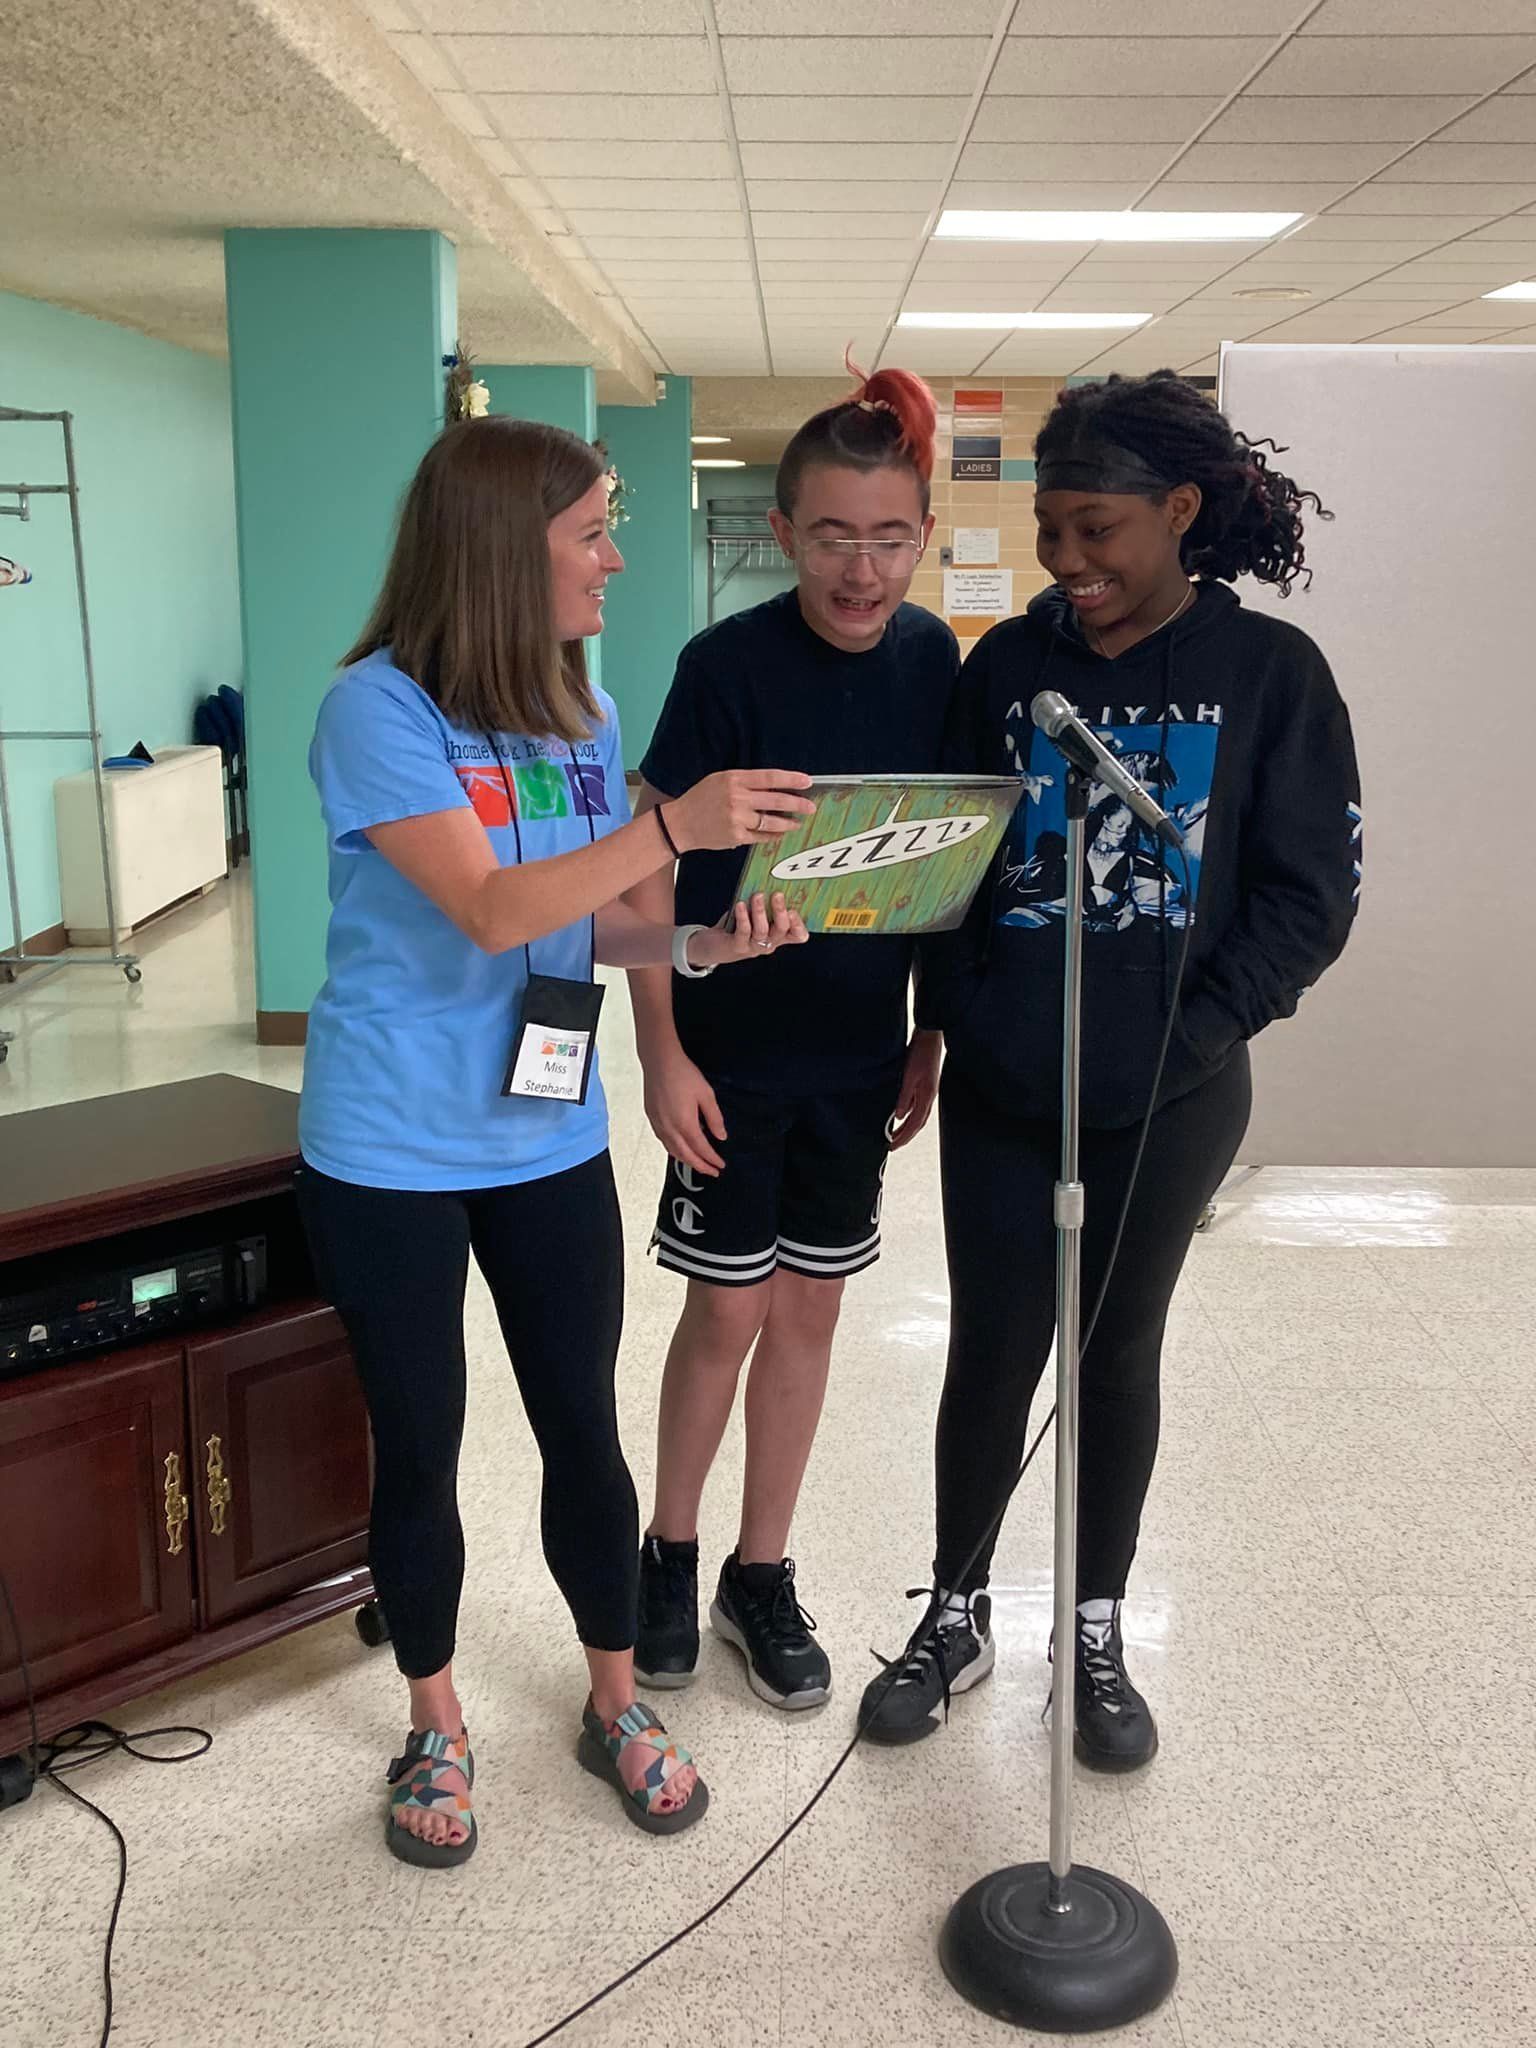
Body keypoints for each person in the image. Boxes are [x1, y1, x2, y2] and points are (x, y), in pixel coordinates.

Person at [295, 415, 818, 1866]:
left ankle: (611, 1703)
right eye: (592, 531)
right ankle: (436, 1723)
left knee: (581, 1433)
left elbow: (586, 923)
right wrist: (680, 822)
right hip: (389, 1146)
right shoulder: (378, 712)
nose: (613, 556)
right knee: (422, 1442)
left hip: (541, 1137)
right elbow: (489, 909)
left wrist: (706, 940)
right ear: (500, 549)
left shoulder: (578, 715)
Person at [862, 370, 1361, 1762]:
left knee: (1113, 1355)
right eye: (1051, 531)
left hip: (1175, 1094)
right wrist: (953, 1023)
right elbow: (948, 874)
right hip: (1011, 1088)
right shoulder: (1007, 673)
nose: (1069, 562)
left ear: (1181, 513)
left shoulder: (1271, 679)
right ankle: (955, 1607)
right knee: (992, 1347)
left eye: (1099, 532)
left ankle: (1094, 1627)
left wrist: (1189, 1039)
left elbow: (1309, 898)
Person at [625, 366, 960, 1710]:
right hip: (730, 1051)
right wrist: (659, 1048)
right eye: (835, 535)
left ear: (921, 535)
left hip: (858, 1055)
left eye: (889, 537)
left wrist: (929, 1032)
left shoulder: (937, 659)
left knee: (812, 1306)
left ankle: (761, 1572)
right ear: (784, 531)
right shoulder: (725, 667)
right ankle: (671, 1548)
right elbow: (644, 869)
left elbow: (945, 848)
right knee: (727, 1307)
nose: (863, 567)